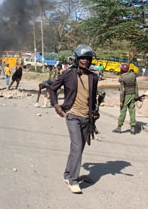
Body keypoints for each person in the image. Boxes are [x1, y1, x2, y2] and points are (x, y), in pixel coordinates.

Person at [49, 44, 99, 194]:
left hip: (86, 117)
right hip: (72, 115)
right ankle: (74, 180)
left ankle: (67, 174)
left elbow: (94, 99)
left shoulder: (93, 77)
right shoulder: (68, 74)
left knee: (78, 148)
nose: (85, 61)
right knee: (77, 147)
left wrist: (95, 113)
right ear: (77, 59)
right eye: (82, 58)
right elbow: (52, 88)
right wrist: (56, 105)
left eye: (88, 58)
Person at [113, 64, 138, 134]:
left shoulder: (122, 78)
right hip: (133, 95)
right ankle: (133, 128)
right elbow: (136, 86)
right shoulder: (133, 75)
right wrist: (136, 96)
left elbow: (122, 91)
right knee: (132, 111)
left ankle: (119, 127)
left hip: (125, 96)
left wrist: (121, 101)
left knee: (123, 111)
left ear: (121, 70)